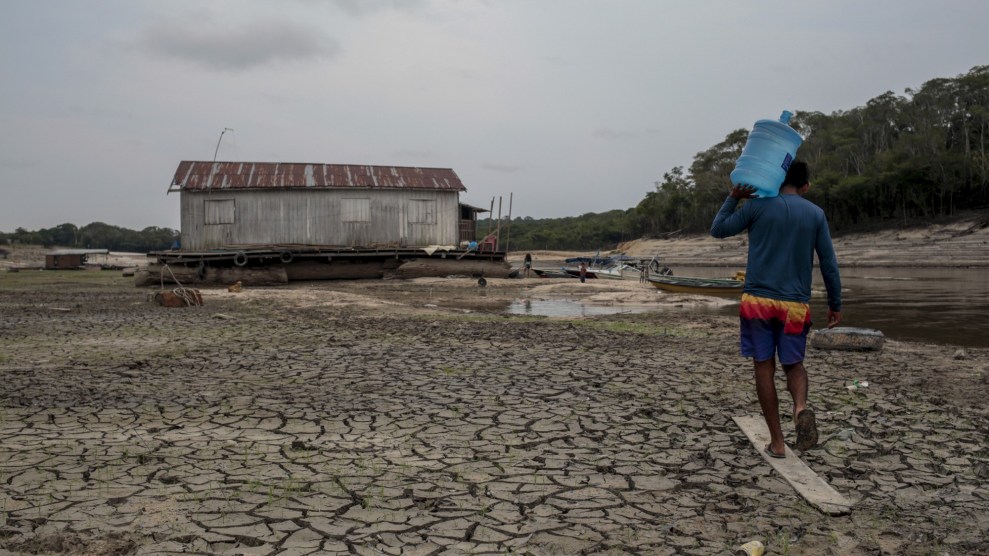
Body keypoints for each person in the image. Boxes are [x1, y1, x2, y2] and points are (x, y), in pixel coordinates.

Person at [710, 160, 842, 458]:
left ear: (775, 178)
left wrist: (734, 197)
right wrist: (835, 304)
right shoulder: (815, 214)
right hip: (795, 305)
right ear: (805, 186)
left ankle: (778, 443)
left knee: (764, 366)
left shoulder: (757, 206)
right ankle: (800, 408)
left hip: (758, 302)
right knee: (794, 364)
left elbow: (718, 229)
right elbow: (829, 265)